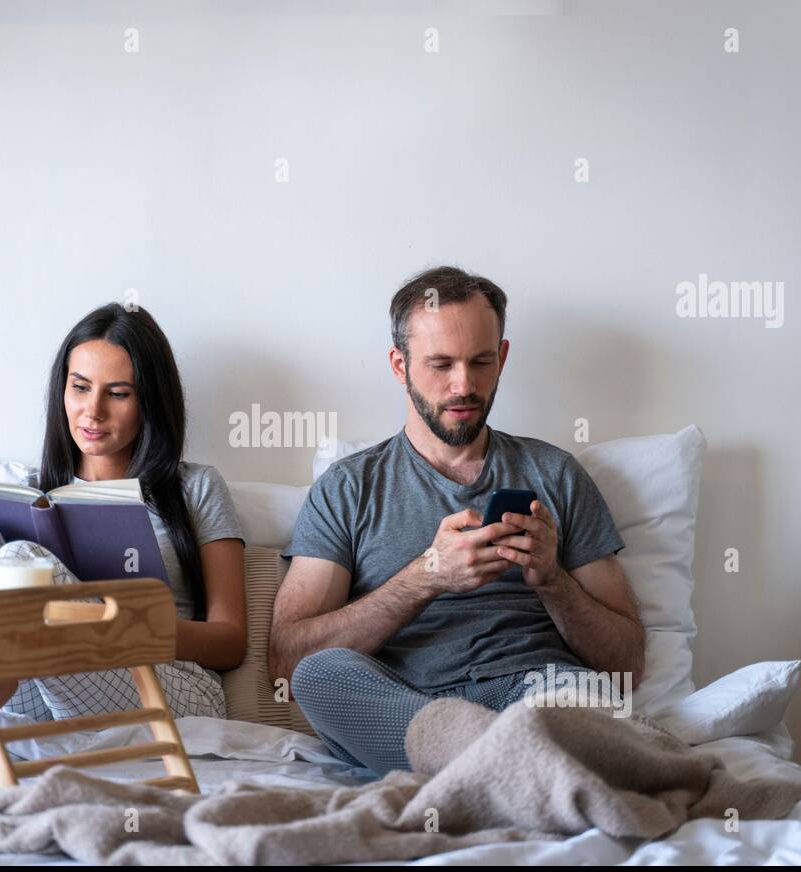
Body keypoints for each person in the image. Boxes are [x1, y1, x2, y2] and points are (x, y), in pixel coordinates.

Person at [270, 265, 646, 775]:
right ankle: (522, 769)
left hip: (535, 689)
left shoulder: (554, 473)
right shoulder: (348, 488)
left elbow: (626, 665)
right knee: (321, 674)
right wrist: (427, 577)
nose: (464, 385)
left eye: (481, 362)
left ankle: (489, 774)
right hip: (412, 708)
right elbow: (287, 664)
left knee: (585, 698)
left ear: (503, 358)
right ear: (399, 365)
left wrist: (552, 580)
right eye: (441, 364)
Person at [0, 303, 247, 778]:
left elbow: (231, 642)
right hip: (33, 689)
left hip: (158, 683)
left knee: (21, 563)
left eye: (119, 393)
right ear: (62, 388)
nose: (93, 411)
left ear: (149, 401)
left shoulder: (196, 488)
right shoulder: (35, 493)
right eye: (80, 387)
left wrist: (119, 623)